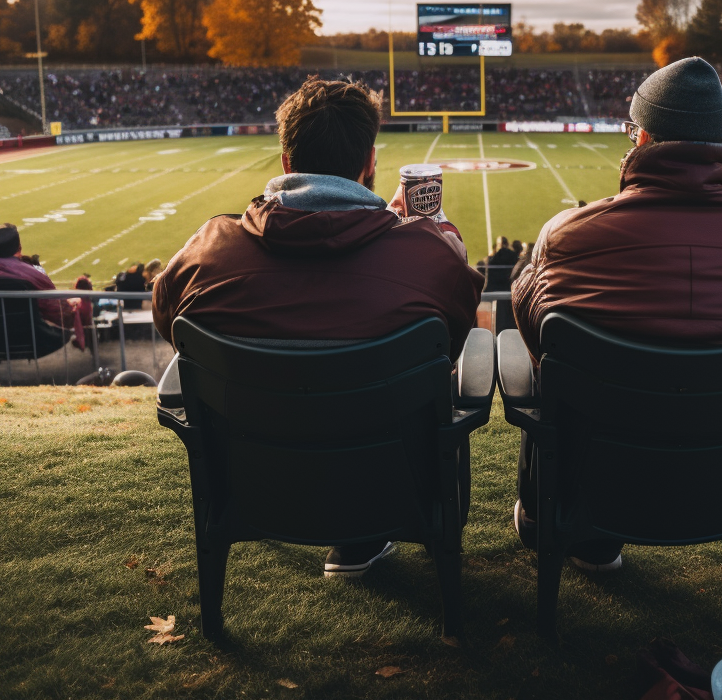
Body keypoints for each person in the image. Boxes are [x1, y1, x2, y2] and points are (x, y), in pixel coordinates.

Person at [153, 76, 483, 577]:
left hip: (254, 478)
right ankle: (363, 538)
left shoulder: (209, 251)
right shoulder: (427, 258)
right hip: (386, 479)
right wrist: (431, 244)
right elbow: (454, 341)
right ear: (370, 162)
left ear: (286, 162)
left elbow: (168, 321)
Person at [511, 57, 722, 572]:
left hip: (597, 484)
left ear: (643, 136)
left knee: (549, 378)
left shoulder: (567, 237)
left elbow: (535, 336)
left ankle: (590, 542)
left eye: (632, 131)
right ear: (719, 138)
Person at [0, 223, 85, 345]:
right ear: (19, 248)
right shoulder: (32, 273)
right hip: (32, 340)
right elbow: (56, 306)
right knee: (79, 302)